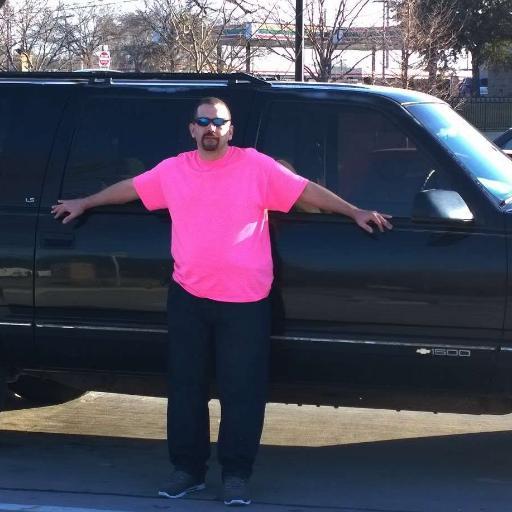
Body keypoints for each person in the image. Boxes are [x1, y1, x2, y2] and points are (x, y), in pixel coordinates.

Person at [52, 96, 392, 506]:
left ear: (231, 130)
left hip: (245, 302)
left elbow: (306, 191)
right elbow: (131, 189)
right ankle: (188, 471)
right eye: (203, 121)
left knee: (242, 392)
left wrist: (352, 210)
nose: (211, 128)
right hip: (189, 297)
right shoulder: (174, 169)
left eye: (219, 122)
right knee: (186, 390)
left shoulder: (256, 167)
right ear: (192, 129)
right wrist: (84, 202)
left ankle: (236, 475)